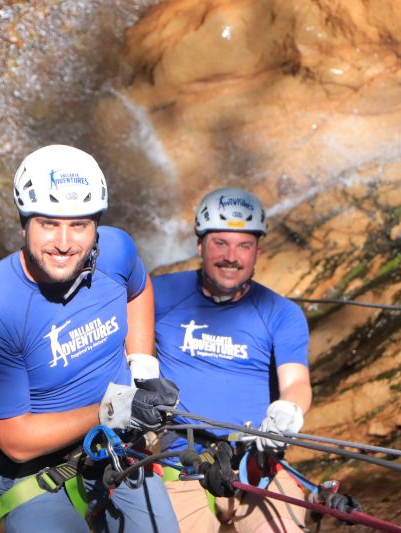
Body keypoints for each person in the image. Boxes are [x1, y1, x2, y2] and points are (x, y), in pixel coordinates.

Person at [0, 144, 179, 533]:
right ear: (24, 223)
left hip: (117, 449)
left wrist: (143, 369)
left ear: (96, 226)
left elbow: (138, 289)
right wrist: (115, 407)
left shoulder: (115, 252)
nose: (63, 243)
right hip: (36, 477)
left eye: (79, 225)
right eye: (48, 223)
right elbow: (17, 440)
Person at [153, 187, 312, 533]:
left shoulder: (281, 313)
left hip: (256, 463)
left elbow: (296, 382)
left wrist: (289, 412)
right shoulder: (159, 294)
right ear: (200, 246)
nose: (231, 256)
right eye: (220, 243)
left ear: (257, 252)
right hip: (181, 461)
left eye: (243, 246)